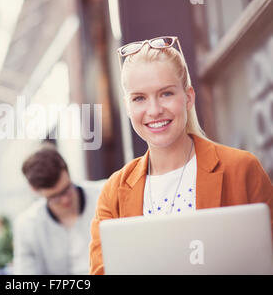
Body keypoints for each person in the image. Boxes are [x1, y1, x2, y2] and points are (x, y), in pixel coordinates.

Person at [89, 36, 273, 275]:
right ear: (127, 107)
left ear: (188, 97)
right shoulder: (113, 193)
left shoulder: (240, 168)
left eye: (166, 94)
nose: (154, 110)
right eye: (139, 98)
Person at [13, 145, 102, 274]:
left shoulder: (105, 194)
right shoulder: (27, 226)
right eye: (54, 197)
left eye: (67, 189)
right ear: (34, 190)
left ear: (67, 171)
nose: (65, 200)